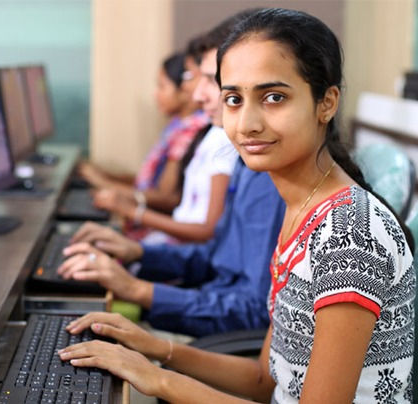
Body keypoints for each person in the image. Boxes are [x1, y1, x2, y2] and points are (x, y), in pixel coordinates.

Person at [58, 8, 416, 403]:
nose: (247, 123)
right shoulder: (303, 209)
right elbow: (267, 381)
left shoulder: (349, 237)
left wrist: (159, 380)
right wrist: (156, 350)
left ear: (326, 103)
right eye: (233, 98)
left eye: (273, 97)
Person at [59, 10, 285, 337]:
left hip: (228, 328)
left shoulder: (268, 178)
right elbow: (219, 258)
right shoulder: (247, 164)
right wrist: (138, 253)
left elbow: (254, 309)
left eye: (211, 80)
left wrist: (139, 292)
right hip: (214, 302)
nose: (199, 95)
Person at [93, 34, 239, 244]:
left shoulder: (216, 137)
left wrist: (133, 208)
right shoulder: (209, 132)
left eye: (200, 78)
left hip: (184, 250)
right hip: (179, 246)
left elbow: (174, 201)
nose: (195, 91)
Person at [78, 51, 209, 214]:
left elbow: (166, 197)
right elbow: (147, 183)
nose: (155, 94)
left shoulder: (190, 130)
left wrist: (102, 182)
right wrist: (104, 176)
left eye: (162, 86)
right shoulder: (178, 124)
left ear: (183, 91)